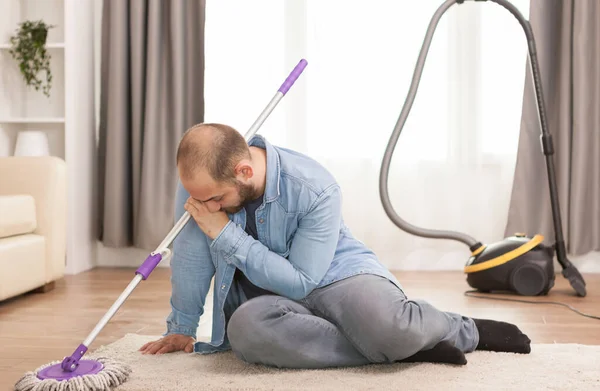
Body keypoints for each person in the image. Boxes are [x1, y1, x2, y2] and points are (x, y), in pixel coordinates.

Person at [139, 123, 531, 368]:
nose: (206, 209)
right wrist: (182, 328)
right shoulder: (202, 187)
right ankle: (402, 347)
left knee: (387, 327)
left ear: (244, 172)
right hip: (268, 304)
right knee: (245, 333)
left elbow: (302, 281)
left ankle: (454, 328)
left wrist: (225, 233)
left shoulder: (315, 186)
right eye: (200, 199)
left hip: (336, 276)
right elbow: (190, 257)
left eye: (216, 199)